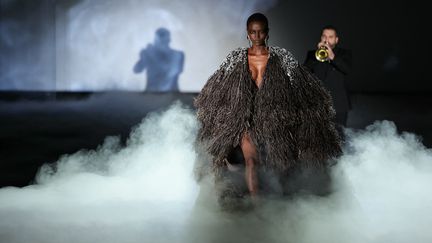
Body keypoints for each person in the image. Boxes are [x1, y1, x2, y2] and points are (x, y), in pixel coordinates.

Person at [194, 13, 341, 208]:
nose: (257, 36)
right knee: (252, 162)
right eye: (253, 32)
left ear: (267, 33)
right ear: (248, 34)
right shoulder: (237, 58)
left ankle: (280, 202)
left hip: (273, 119)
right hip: (245, 120)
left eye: (261, 32)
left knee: (283, 162)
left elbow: (303, 83)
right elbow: (215, 87)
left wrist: (311, 111)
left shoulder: (281, 57)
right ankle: (257, 209)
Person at [304, 25, 352, 131]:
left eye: (330, 37)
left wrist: (332, 57)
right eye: (324, 36)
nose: (327, 39)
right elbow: (304, 72)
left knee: (339, 137)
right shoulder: (312, 54)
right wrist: (317, 56)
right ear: (321, 38)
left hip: (339, 105)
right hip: (317, 104)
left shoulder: (345, 54)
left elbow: (347, 70)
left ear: (336, 39)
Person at [133, 27, 184, 92]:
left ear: (168, 40)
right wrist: (144, 56)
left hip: (171, 96)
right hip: (151, 96)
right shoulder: (149, 54)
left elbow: (170, 73)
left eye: (163, 41)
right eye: (158, 41)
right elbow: (137, 70)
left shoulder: (178, 55)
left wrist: (151, 55)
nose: (161, 44)